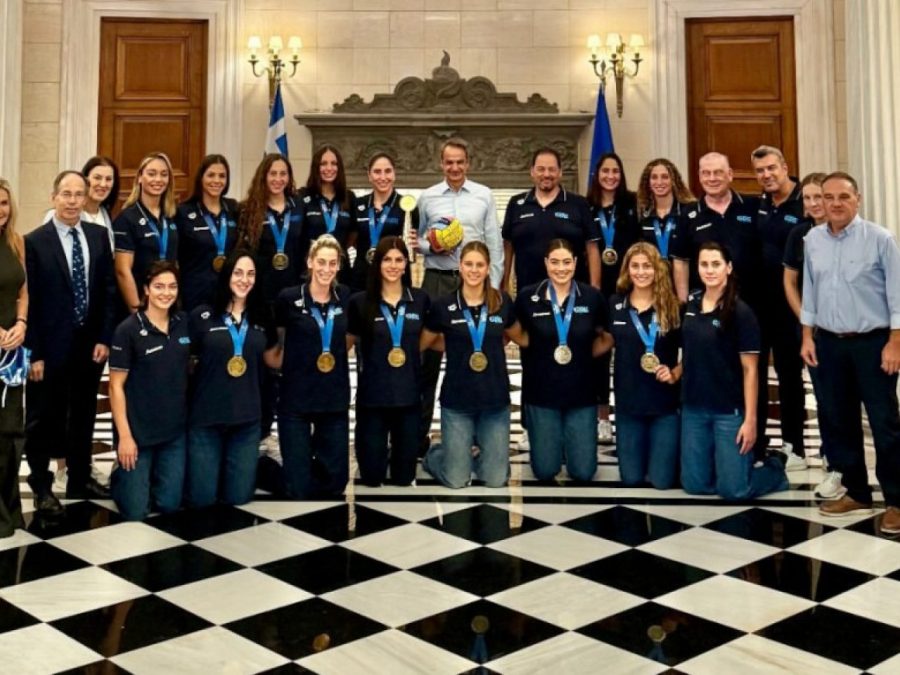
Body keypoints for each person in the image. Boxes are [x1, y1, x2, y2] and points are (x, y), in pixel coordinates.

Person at [800, 172, 900, 533]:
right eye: (828, 197)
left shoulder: (880, 239)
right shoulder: (812, 240)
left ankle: (896, 500)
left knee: (884, 423)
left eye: (843, 196)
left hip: (873, 343)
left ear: (857, 198)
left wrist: (895, 342)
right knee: (838, 420)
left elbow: (897, 294)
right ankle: (857, 491)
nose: (835, 203)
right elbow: (810, 290)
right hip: (828, 342)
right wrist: (807, 336)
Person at [24, 171, 117, 514]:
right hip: (49, 349)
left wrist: (104, 337)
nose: (73, 201)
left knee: (83, 412)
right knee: (42, 417)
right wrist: (34, 353)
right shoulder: (34, 242)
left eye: (79, 194)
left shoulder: (97, 236)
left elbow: (108, 290)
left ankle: (79, 476)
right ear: (54, 197)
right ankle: (41, 484)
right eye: (66, 194)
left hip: (88, 345)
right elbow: (29, 300)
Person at [414, 138, 503, 454]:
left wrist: (493, 288)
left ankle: (477, 437)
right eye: (449, 162)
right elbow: (417, 241)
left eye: (460, 162)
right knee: (427, 361)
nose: (454, 167)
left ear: (468, 163)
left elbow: (494, 245)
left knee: (473, 357)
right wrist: (432, 246)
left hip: (475, 285)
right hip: (437, 282)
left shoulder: (483, 195)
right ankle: (418, 435)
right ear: (441, 164)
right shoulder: (427, 197)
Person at [680, 242, 788, 500]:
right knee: (695, 485)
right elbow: (693, 353)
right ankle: (726, 467)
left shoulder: (742, 313)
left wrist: (750, 421)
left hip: (729, 411)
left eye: (716, 264)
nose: (710, 270)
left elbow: (751, 371)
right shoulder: (691, 304)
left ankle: (774, 469)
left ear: (728, 268)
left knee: (734, 490)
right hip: (694, 409)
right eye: (704, 264)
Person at [421, 242, 523, 488]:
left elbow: (518, 336)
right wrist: (456, 345)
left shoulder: (501, 302)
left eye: (480, 265)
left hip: (495, 402)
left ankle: (482, 457)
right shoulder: (443, 306)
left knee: (496, 479)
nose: (474, 270)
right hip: (457, 403)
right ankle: (435, 453)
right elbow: (425, 342)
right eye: (469, 264)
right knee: (456, 479)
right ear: (460, 266)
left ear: (488, 268)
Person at [186, 251, 278, 507]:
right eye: (238, 273)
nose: (244, 280)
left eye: (250, 274)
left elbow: (273, 362)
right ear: (226, 275)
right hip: (206, 419)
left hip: (246, 421)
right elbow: (185, 364)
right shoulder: (202, 316)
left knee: (238, 497)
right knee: (202, 499)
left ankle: (256, 464)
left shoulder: (262, 316)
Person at [515, 239, 611, 483]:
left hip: (581, 395)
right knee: (545, 471)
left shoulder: (592, 297)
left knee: (583, 473)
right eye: (555, 262)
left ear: (576, 263)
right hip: (541, 395)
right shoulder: (528, 297)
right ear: (546, 263)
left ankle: (573, 444)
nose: (561, 268)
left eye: (567, 262)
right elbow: (516, 333)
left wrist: (583, 353)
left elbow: (607, 337)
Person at [272, 235, 352, 499]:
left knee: (335, 484)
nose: (326, 269)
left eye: (332, 263)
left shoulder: (345, 297)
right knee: (298, 488)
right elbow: (279, 339)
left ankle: (312, 466)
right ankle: (266, 467)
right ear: (310, 262)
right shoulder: (288, 298)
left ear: (338, 265)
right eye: (321, 262)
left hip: (332, 396)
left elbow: (348, 338)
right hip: (296, 397)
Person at [109, 262, 189, 520]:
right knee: (135, 511)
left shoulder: (183, 323)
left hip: (173, 434)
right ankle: (120, 475)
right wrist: (124, 437)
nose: (166, 293)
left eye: (172, 287)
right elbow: (115, 386)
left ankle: (151, 476)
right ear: (146, 289)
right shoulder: (127, 330)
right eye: (158, 287)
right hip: (138, 434)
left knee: (169, 505)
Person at [348, 236, 429, 486]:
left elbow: (433, 339)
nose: (393, 265)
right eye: (387, 260)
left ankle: (434, 454)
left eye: (399, 260)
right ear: (378, 264)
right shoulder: (360, 302)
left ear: (406, 264)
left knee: (404, 478)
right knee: (372, 477)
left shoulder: (420, 300)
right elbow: (344, 344)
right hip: (373, 398)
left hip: (408, 397)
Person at [783, 172, 843, 499]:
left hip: (846, 326)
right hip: (813, 329)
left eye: (818, 196)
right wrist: (806, 318)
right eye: (807, 198)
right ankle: (830, 456)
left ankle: (843, 458)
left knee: (843, 395)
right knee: (823, 395)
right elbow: (789, 282)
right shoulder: (799, 235)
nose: (814, 203)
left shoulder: (846, 232)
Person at [239, 154, 303, 445]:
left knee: (290, 365)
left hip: (293, 301)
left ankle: (291, 430)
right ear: (263, 176)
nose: (278, 179)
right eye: (273, 173)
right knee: (262, 368)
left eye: (283, 173)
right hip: (261, 301)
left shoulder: (299, 208)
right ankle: (261, 430)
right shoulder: (249, 210)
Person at [751, 145, 807, 467]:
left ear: (785, 167)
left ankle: (794, 445)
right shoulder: (759, 203)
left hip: (792, 306)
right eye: (760, 171)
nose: (766, 175)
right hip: (758, 308)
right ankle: (757, 442)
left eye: (771, 168)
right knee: (755, 373)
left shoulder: (804, 203)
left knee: (789, 375)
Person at [609, 242, 682, 488]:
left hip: (664, 405)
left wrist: (675, 373)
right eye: (635, 266)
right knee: (631, 479)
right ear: (627, 269)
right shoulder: (615, 305)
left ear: (657, 269)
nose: (641, 272)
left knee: (662, 481)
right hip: (628, 404)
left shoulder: (673, 307)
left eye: (647, 266)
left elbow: (693, 352)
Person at [587, 152, 639, 443]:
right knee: (598, 355)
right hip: (596, 290)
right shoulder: (586, 206)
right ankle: (602, 417)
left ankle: (630, 413)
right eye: (605, 171)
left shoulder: (633, 204)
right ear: (597, 175)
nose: (610, 176)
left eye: (615, 171)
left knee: (630, 353)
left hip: (629, 290)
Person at [670, 152, 762, 308]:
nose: (712, 178)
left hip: (751, 301)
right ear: (700, 176)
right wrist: (684, 304)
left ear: (730, 174)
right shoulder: (688, 214)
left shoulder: (752, 206)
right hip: (705, 304)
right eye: (706, 173)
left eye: (718, 172)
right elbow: (681, 262)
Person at [502, 147, 599, 293]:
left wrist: (595, 290)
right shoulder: (516, 204)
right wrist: (503, 288)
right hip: (527, 294)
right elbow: (507, 247)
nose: (546, 174)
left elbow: (592, 248)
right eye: (541, 169)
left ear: (560, 172)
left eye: (552, 169)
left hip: (572, 294)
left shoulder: (579, 204)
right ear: (532, 172)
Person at [113, 152, 179, 312]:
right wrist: (137, 313)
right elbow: (122, 271)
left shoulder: (171, 215)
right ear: (140, 178)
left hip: (167, 300)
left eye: (164, 174)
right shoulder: (126, 218)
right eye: (151, 173)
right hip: (140, 303)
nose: (158, 179)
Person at [176, 154, 240, 311]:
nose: (216, 181)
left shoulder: (234, 209)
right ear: (201, 178)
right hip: (195, 293)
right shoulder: (183, 212)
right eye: (211, 175)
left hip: (228, 292)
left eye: (222, 176)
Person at [0, 179, 28, 536]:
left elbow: (24, 291)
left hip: (12, 351)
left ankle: (9, 512)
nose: (1, 209)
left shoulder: (16, 242)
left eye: (4, 203)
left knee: (10, 431)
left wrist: (21, 323)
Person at [348, 153, 410, 292]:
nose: (383, 177)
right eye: (377, 172)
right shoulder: (358, 204)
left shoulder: (406, 206)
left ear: (394, 174)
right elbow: (351, 240)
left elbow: (412, 244)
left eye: (387, 171)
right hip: (362, 277)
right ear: (369, 175)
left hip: (395, 276)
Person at [300, 145, 356, 281]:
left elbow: (354, 233)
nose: (329, 168)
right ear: (316, 167)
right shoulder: (302, 196)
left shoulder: (349, 197)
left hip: (340, 269)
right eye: (323, 164)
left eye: (334, 163)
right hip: (311, 270)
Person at [635, 158, 696, 260]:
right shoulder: (642, 213)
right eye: (654, 177)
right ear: (648, 182)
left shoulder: (688, 210)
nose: (659, 182)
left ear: (673, 180)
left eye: (665, 177)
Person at [81, 156, 120, 249]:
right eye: (97, 178)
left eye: (108, 179)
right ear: (85, 179)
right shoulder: (67, 214)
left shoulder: (106, 213)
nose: (103, 184)